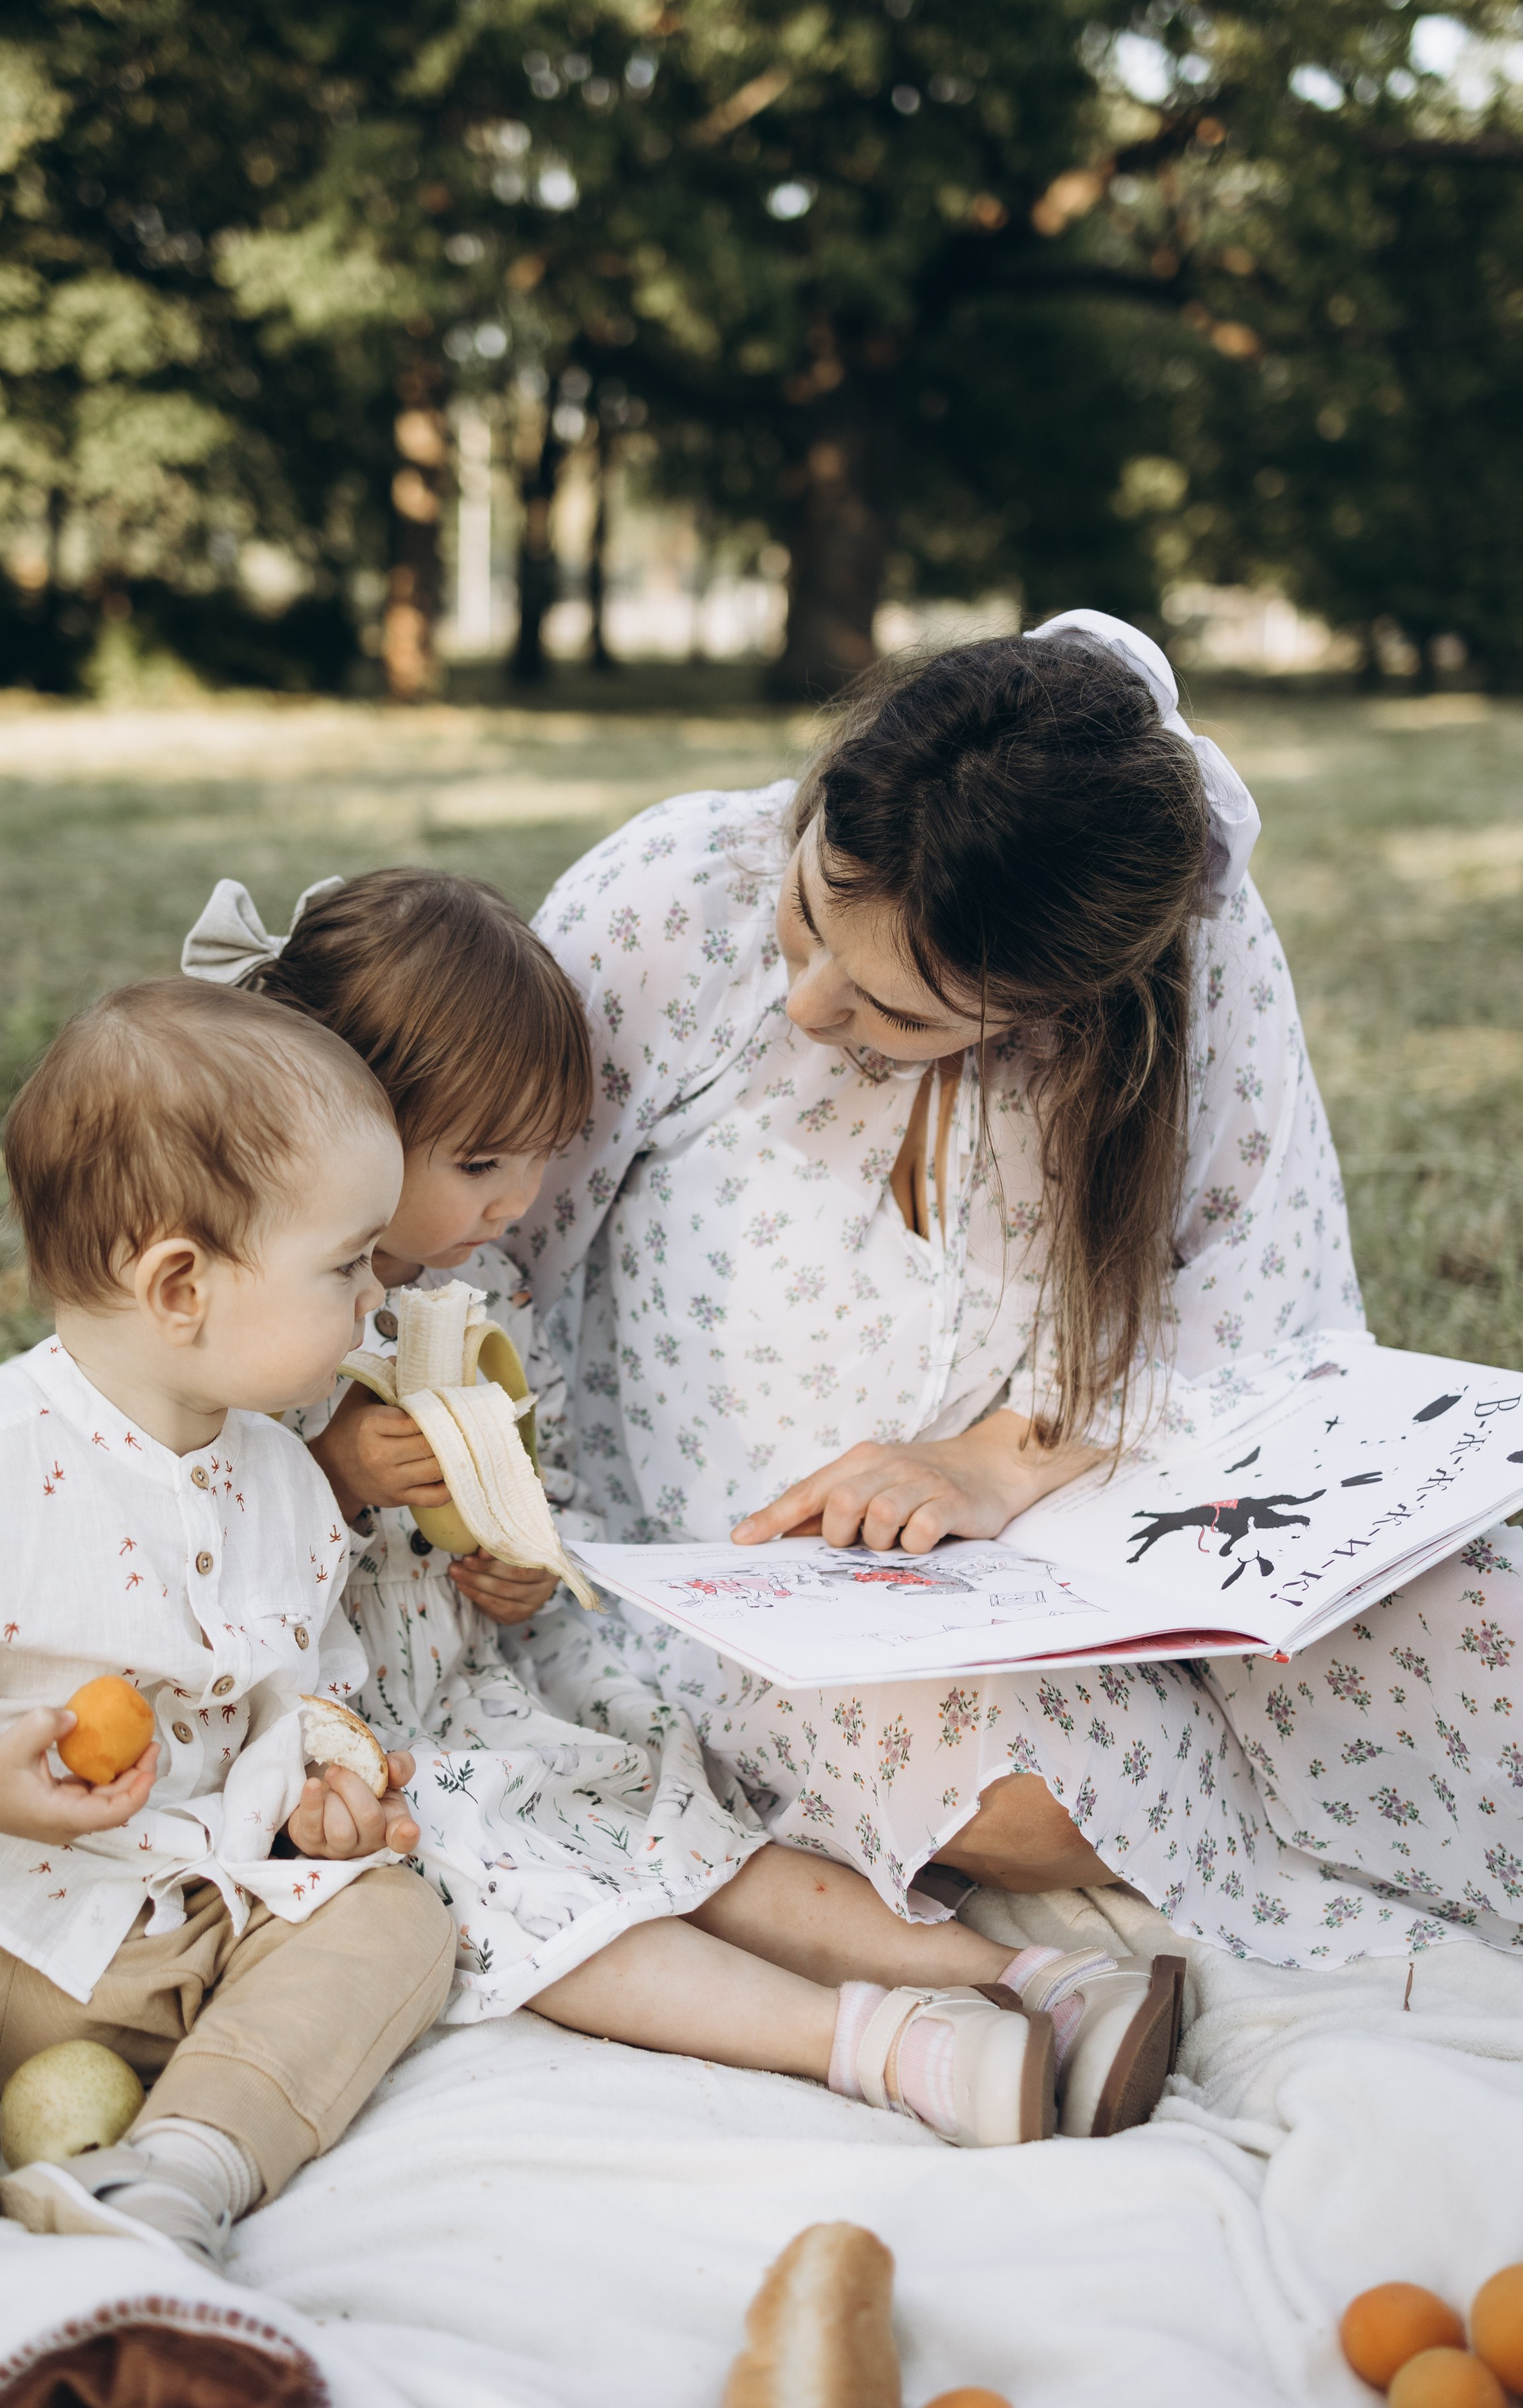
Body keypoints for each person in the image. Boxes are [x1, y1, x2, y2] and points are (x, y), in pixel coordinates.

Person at [519, 611, 1523, 1966]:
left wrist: (1002, 1461)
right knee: (1040, 1799)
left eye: (902, 1014)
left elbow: (1262, 1313)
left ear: (1063, 1004)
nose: (811, 1004)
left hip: (1105, 1519)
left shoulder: (1185, 958)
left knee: (1492, 1634)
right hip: (759, 1590)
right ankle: (1247, 1802)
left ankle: (1274, 1771)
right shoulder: (673, 897)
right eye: (809, 911)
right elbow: (487, 1233)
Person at [177, 873, 1186, 2165]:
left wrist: (512, 1559)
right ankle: (885, 2044)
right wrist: (335, 1472)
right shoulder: (254, 1309)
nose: (516, 1201)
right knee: (522, 1891)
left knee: (674, 1822)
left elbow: (508, 1486)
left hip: (471, 1692)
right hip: (338, 1738)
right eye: (480, 1164)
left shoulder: (476, 1291)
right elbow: (188, 1525)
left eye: (537, 1158)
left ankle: (1024, 1980)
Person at [0, 980, 454, 2376]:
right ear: (181, 1286)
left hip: (154, 1955)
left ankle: (172, 2177)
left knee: (398, 1913)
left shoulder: (284, 1489)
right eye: (349, 1267)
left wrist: (325, 1791)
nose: (379, 1300)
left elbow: (300, 1689)